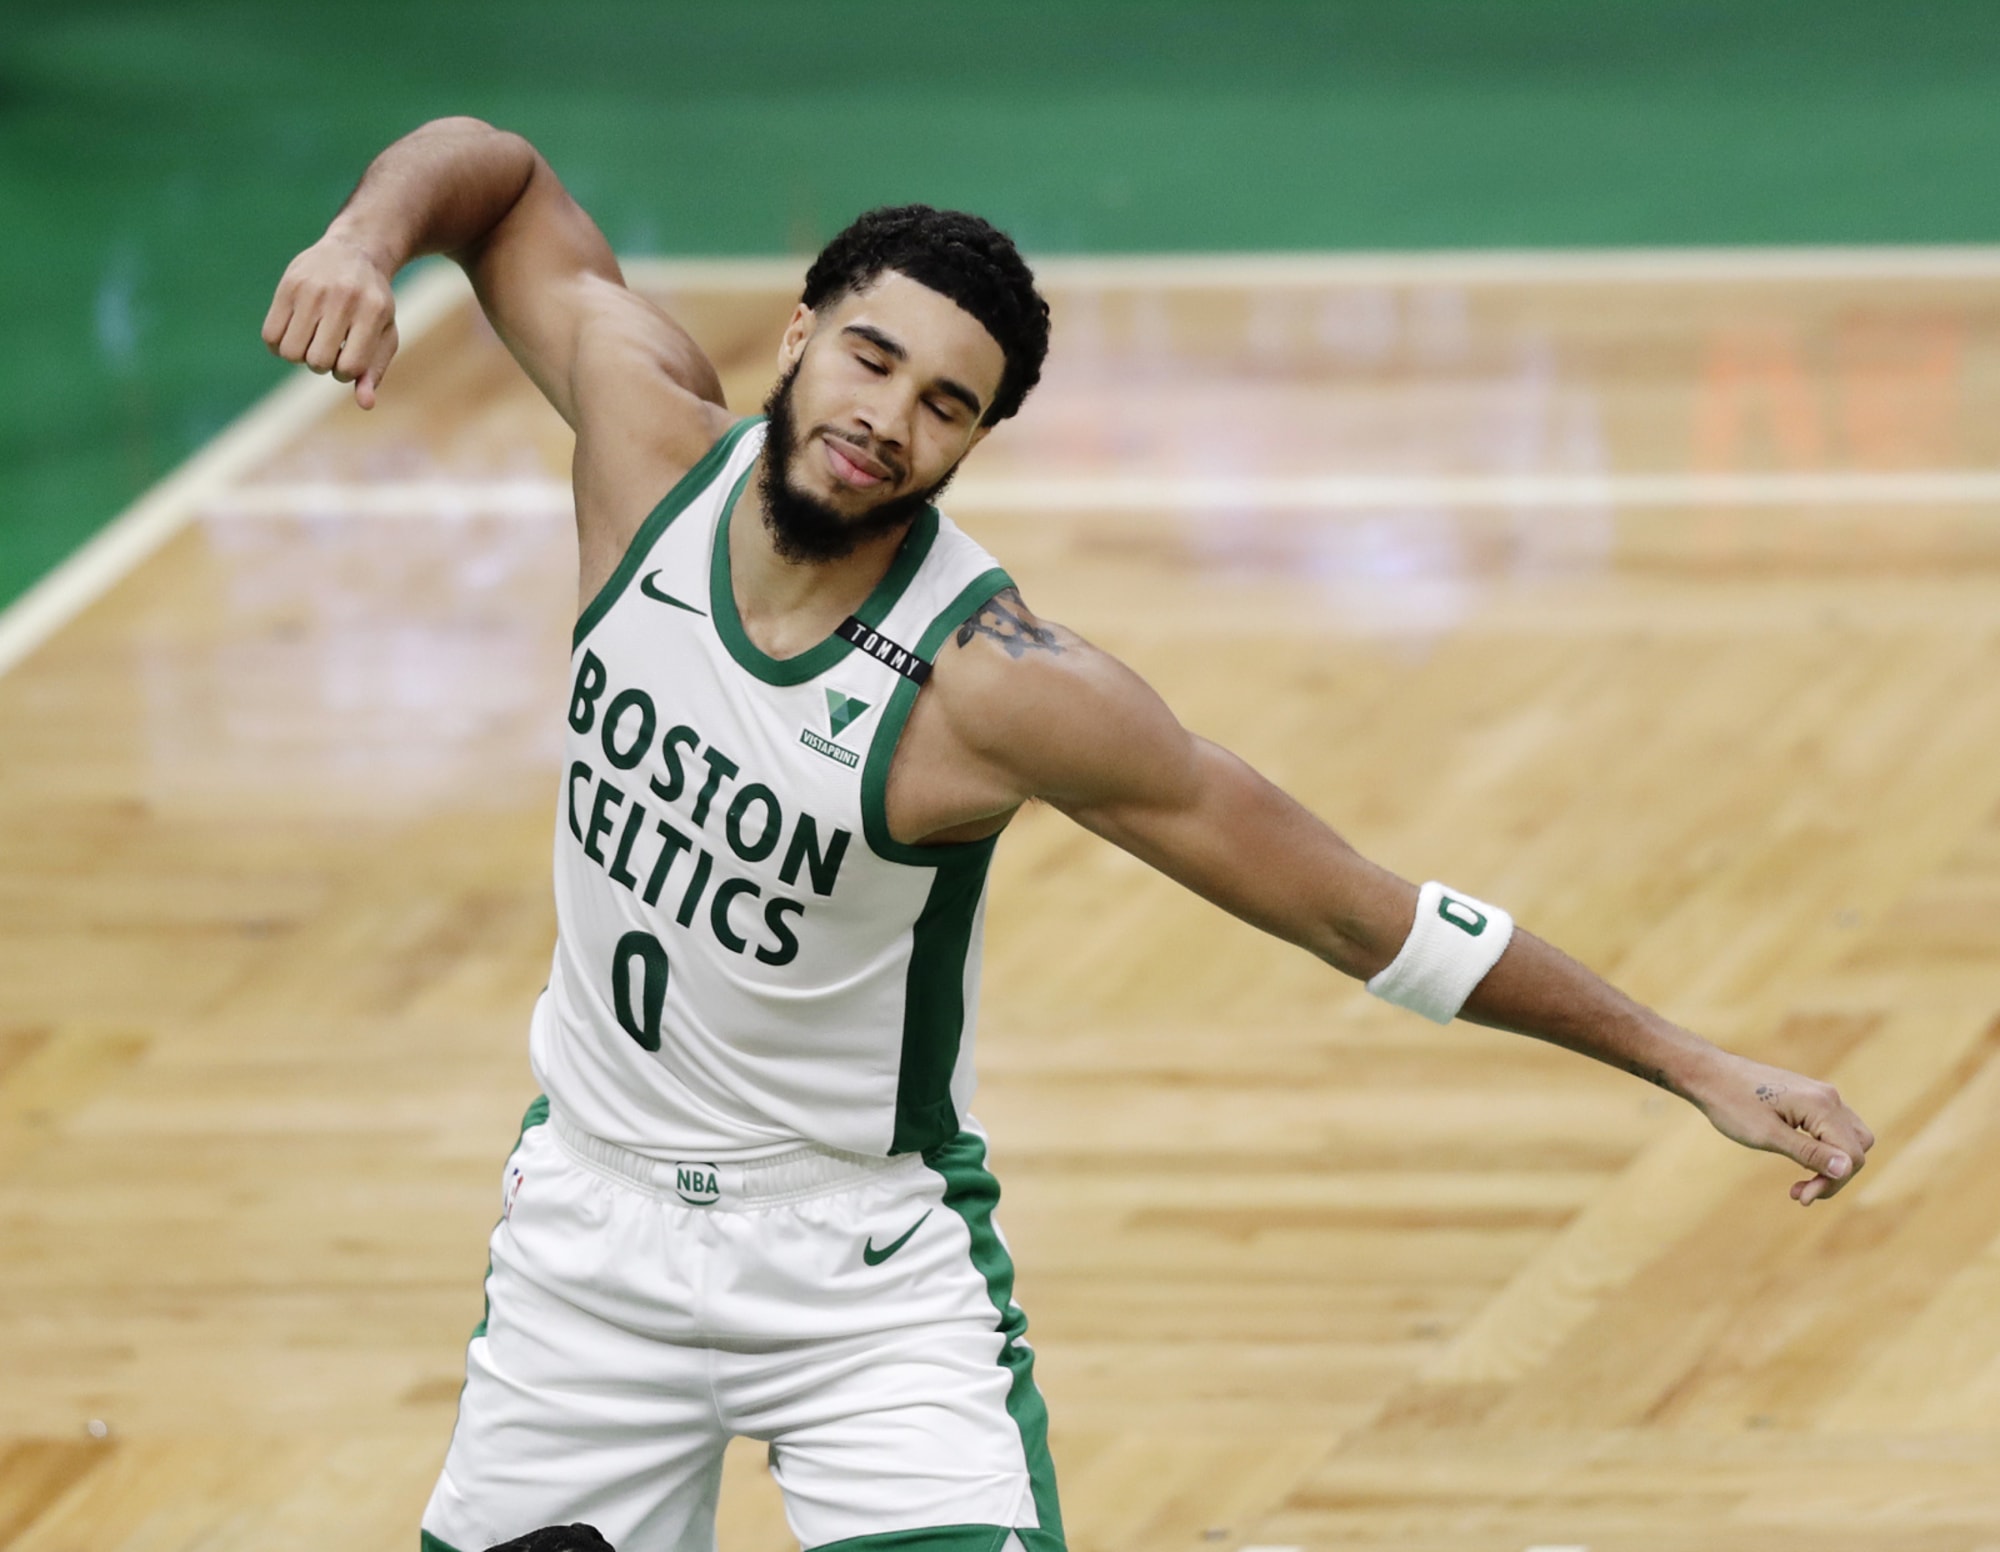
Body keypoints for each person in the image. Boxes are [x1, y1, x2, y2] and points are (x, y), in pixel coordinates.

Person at [263, 118, 1875, 1552]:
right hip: (585, 1240)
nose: (886, 420)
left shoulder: (1000, 687)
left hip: (856, 1277)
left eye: (944, 406)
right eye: (870, 359)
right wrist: (362, 239)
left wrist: (1687, 1061)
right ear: (802, 332)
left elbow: (1349, 911)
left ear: (975, 443)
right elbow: (494, 172)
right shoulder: (641, 446)